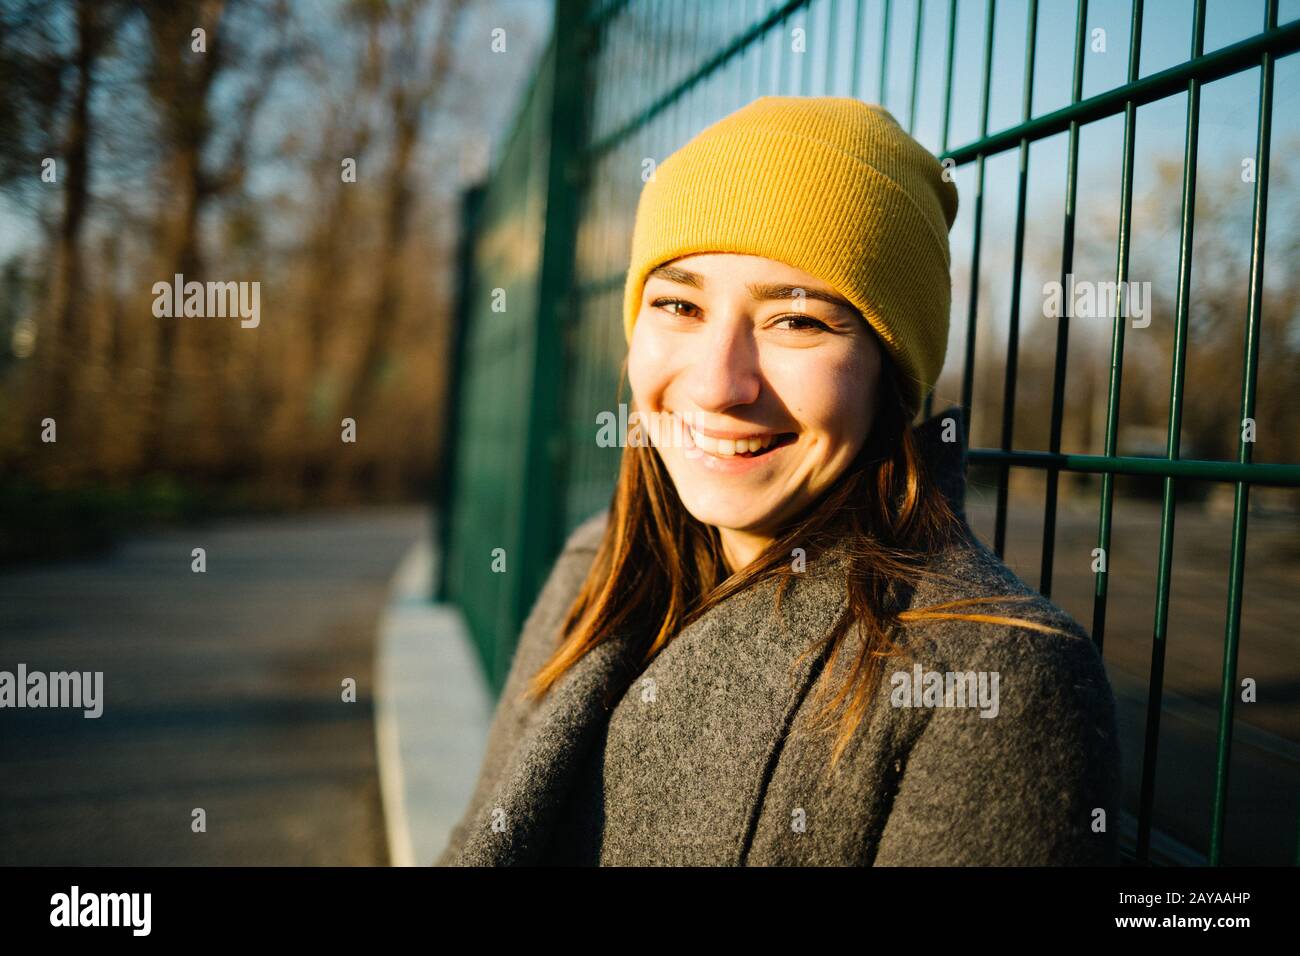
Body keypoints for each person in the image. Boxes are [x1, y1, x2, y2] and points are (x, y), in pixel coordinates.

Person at [436, 96, 1122, 866]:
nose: (718, 384)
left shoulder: (995, 684)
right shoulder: (596, 571)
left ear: (889, 377)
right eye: (678, 304)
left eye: (797, 321)